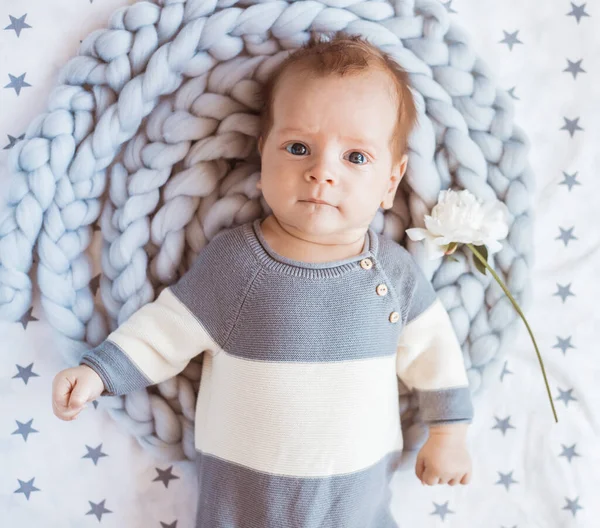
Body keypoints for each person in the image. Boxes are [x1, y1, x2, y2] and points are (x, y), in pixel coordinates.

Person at [52, 31, 474, 527]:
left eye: (355, 157)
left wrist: (449, 433)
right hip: (242, 502)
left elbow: (435, 354)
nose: (322, 172)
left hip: (357, 505)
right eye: (298, 147)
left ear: (391, 181)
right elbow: (166, 330)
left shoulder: (394, 273)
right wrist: (99, 373)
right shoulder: (238, 263)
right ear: (262, 158)